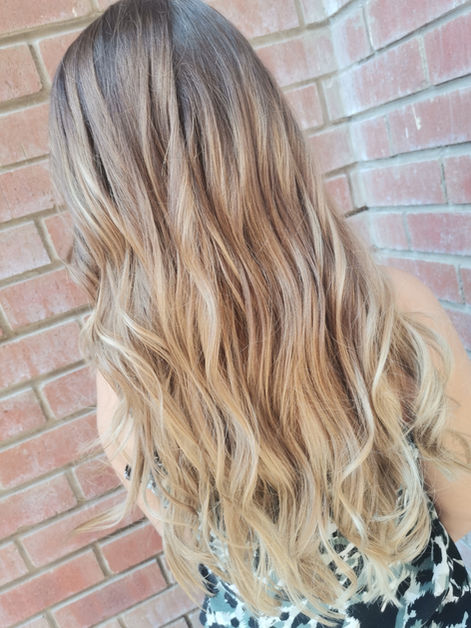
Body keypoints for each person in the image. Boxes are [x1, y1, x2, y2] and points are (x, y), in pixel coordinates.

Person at [48, 0, 471, 625]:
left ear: (100, 190)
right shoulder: (390, 313)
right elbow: (462, 509)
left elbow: (206, 556)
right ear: (262, 131)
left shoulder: (126, 387)